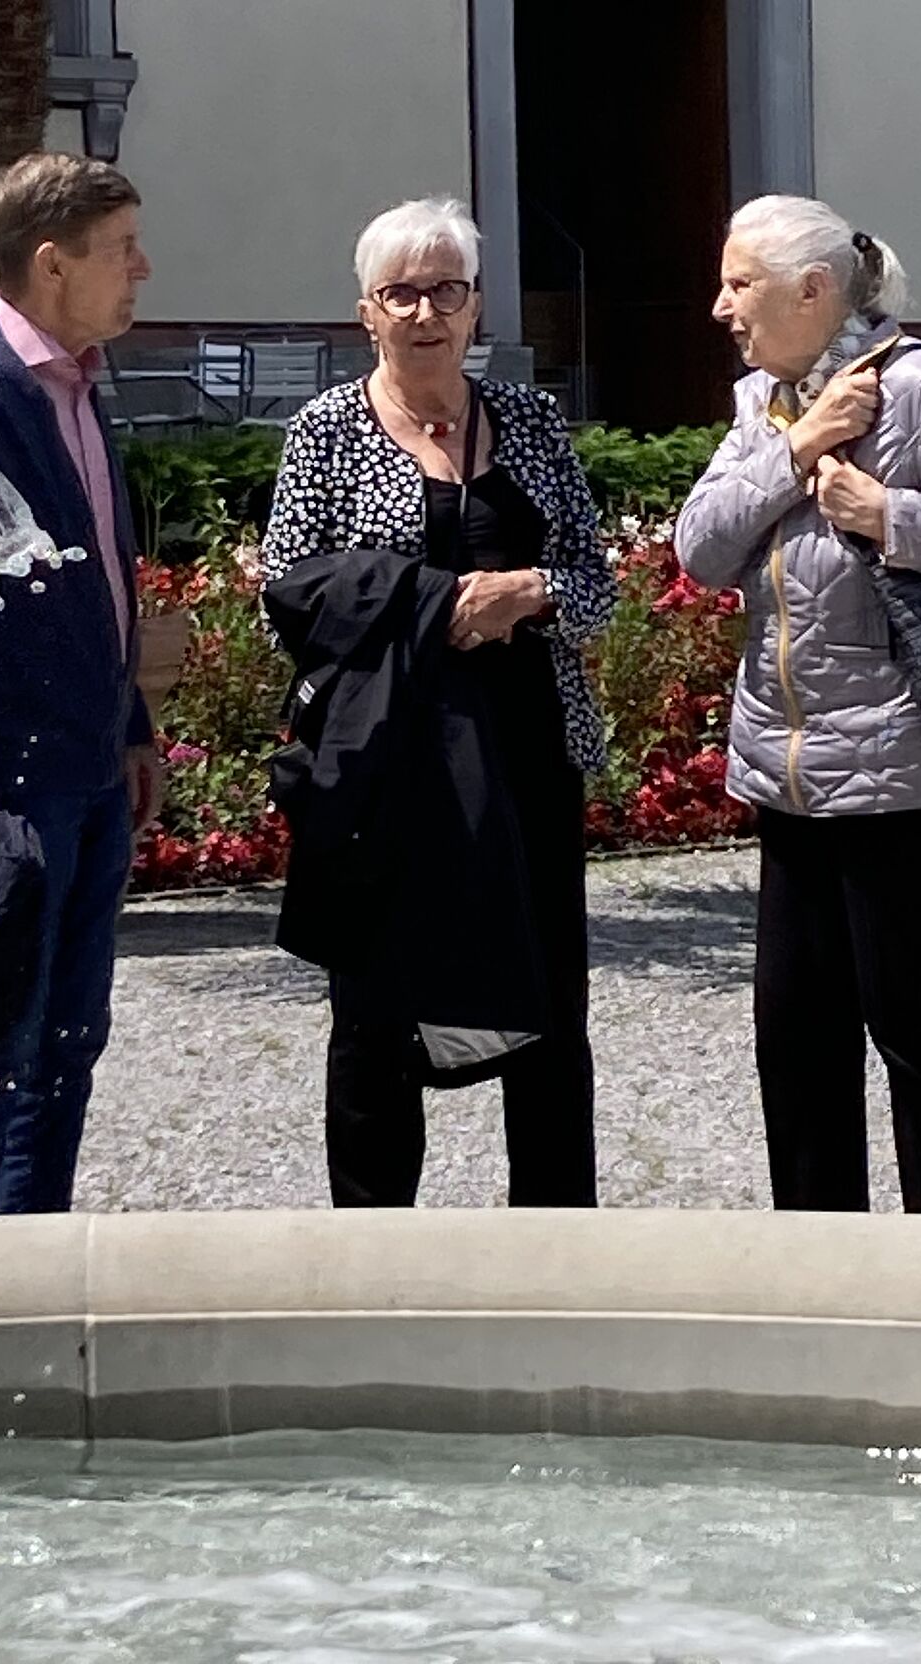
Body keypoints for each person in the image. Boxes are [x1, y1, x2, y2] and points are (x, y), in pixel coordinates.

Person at [674, 197, 921, 1217]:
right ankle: (820, 1267)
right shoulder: (766, 402)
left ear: (812, 290)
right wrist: (800, 448)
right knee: (795, 1038)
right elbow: (700, 549)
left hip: (907, 772)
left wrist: (891, 514)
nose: (720, 307)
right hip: (787, 773)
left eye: (739, 284)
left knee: (917, 1033)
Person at [260, 196, 615, 1208]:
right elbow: (283, 596)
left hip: (529, 757)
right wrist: (432, 605)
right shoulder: (326, 430)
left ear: (477, 305)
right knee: (376, 1017)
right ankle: (372, 1246)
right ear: (366, 312)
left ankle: (558, 1241)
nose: (426, 313)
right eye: (401, 293)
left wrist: (530, 591)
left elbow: (597, 584)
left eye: (446, 291)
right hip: (385, 771)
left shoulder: (531, 421)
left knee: (551, 1008)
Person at [0, 153, 159, 1216]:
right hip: (4, 785)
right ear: (53, 264)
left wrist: (130, 722)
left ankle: (35, 1263)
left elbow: (95, 576)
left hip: (86, 769)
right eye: (121, 249)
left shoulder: (79, 382)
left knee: (66, 1042)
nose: (142, 268)